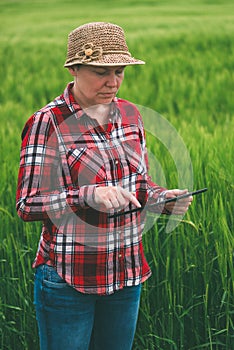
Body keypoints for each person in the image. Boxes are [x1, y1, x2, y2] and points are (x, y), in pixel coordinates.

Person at [16, 22, 192, 350]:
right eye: (101, 72)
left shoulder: (129, 114)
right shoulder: (48, 122)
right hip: (69, 278)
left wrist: (161, 198)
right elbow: (27, 204)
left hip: (126, 273)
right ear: (74, 68)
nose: (113, 83)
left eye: (120, 72)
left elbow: (137, 183)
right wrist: (88, 195)